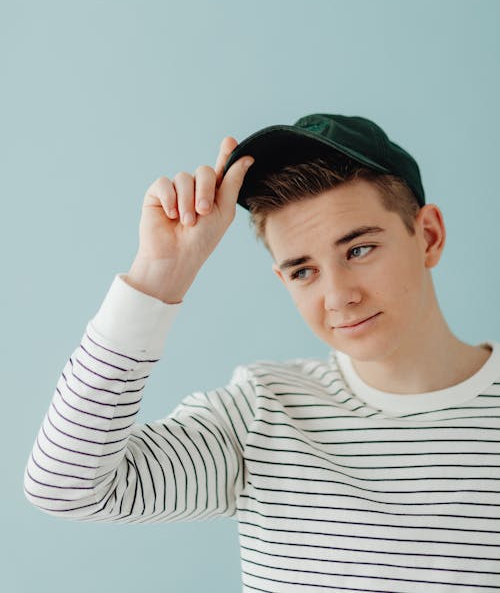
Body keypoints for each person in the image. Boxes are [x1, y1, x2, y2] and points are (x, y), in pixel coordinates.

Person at [24, 113, 500, 592]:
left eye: (358, 250)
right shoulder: (261, 413)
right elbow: (66, 487)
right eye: (302, 271)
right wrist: (159, 275)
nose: (337, 297)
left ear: (430, 237)